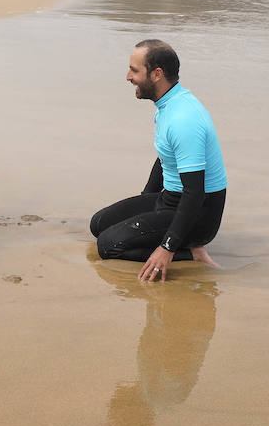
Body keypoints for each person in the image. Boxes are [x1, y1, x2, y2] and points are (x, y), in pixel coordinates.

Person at [91, 39, 226, 281]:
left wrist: (167, 247)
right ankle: (174, 238)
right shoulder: (168, 105)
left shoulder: (183, 119)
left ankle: (191, 252)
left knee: (108, 246)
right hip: (171, 199)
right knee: (98, 224)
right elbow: (165, 156)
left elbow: (195, 192)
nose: (128, 77)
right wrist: (145, 202)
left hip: (199, 213)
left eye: (134, 70)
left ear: (157, 74)